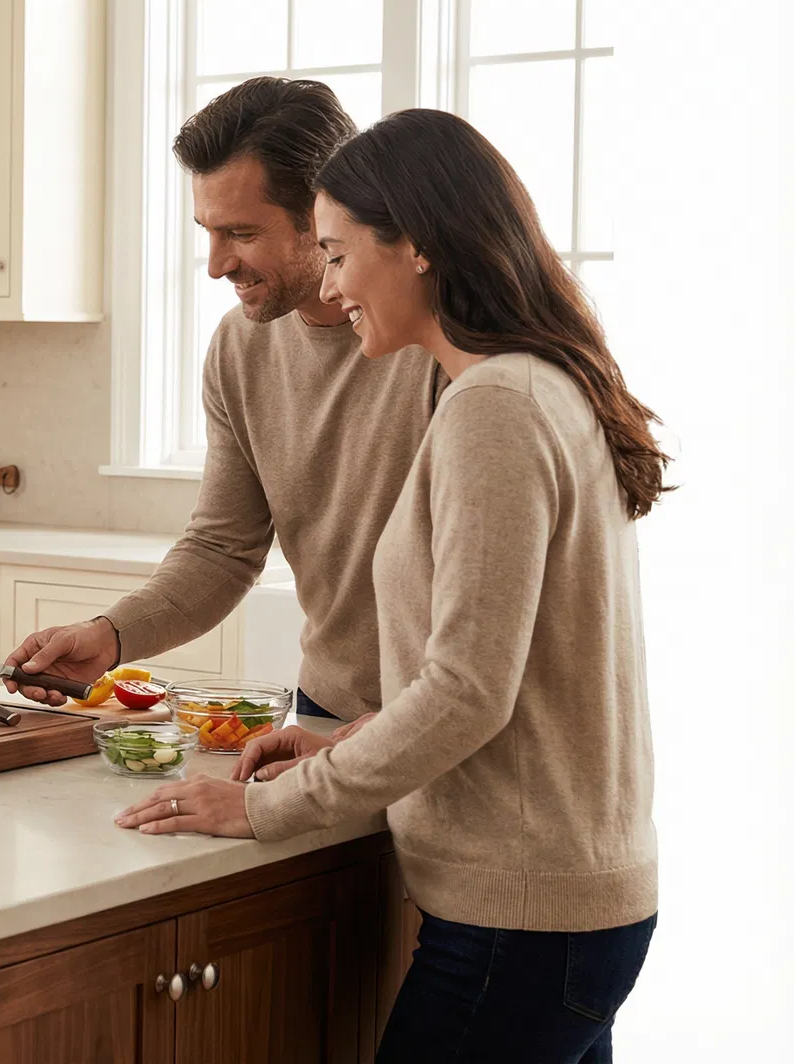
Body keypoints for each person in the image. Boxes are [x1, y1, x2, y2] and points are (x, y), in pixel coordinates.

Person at [116, 109, 663, 1061]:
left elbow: (466, 690)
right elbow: (506, 667)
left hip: (517, 909)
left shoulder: (490, 406)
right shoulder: (538, 382)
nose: (330, 284)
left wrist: (264, 807)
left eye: (337, 251)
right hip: (562, 898)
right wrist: (352, 735)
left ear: (413, 247)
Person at [3, 77, 441, 729]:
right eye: (207, 230)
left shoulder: (441, 343)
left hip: (439, 716)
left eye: (239, 232)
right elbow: (222, 548)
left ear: (326, 215)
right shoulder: (241, 347)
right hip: (330, 704)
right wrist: (110, 636)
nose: (214, 265)